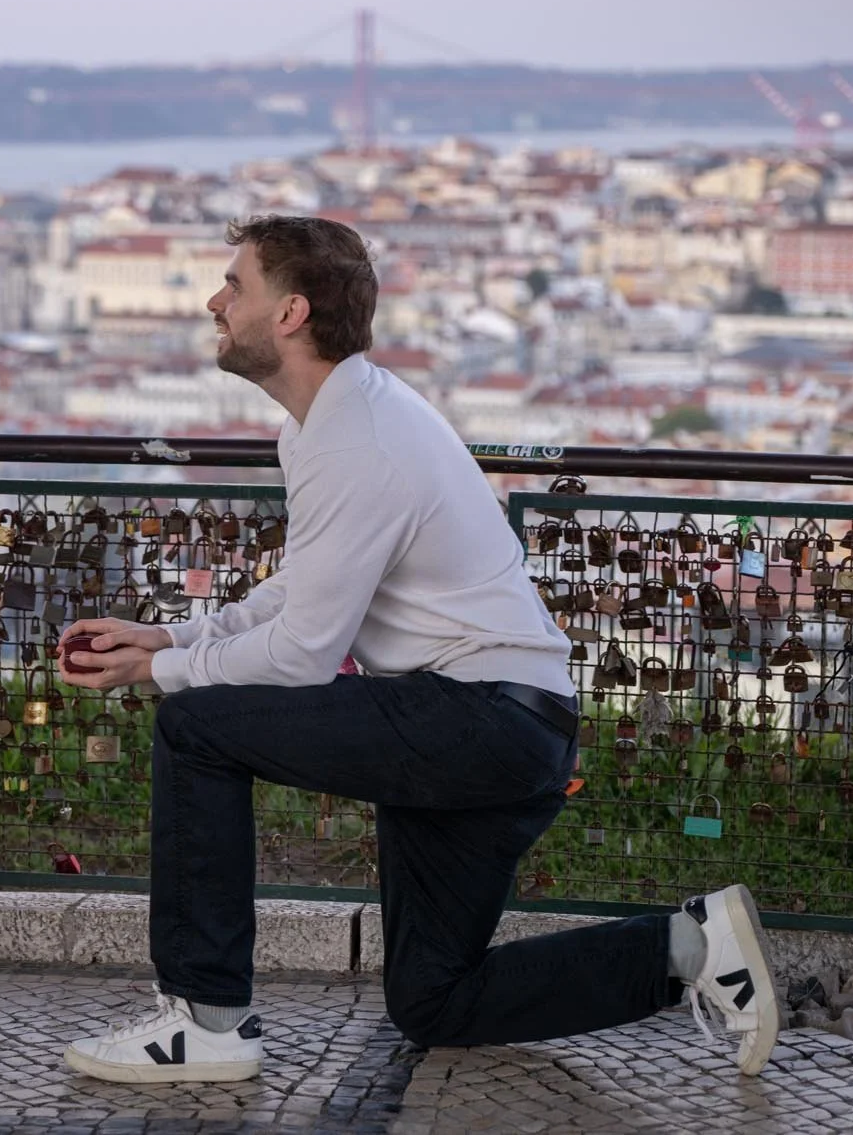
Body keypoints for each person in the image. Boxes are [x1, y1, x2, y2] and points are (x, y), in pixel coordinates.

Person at [57, 215, 779, 1083]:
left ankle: (206, 1022)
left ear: (290, 312)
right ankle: (692, 944)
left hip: (477, 716)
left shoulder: (356, 435)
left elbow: (301, 655)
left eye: (234, 285)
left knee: (193, 728)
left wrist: (161, 671)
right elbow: (305, 590)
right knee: (435, 1000)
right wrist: (177, 634)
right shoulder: (333, 420)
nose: (215, 301)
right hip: (497, 718)